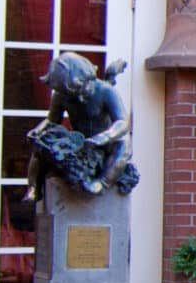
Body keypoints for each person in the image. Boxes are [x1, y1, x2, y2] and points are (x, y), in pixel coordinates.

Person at [25, 52, 133, 199]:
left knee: (123, 146)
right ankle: (33, 187)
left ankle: (102, 182)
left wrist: (104, 137)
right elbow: (51, 121)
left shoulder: (106, 92)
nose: (79, 98)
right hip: (79, 142)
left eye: (81, 90)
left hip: (105, 142)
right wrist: (38, 131)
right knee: (41, 148)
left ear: (85, 80)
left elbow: (122, 123)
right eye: (71, 94)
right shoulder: (61, 96)